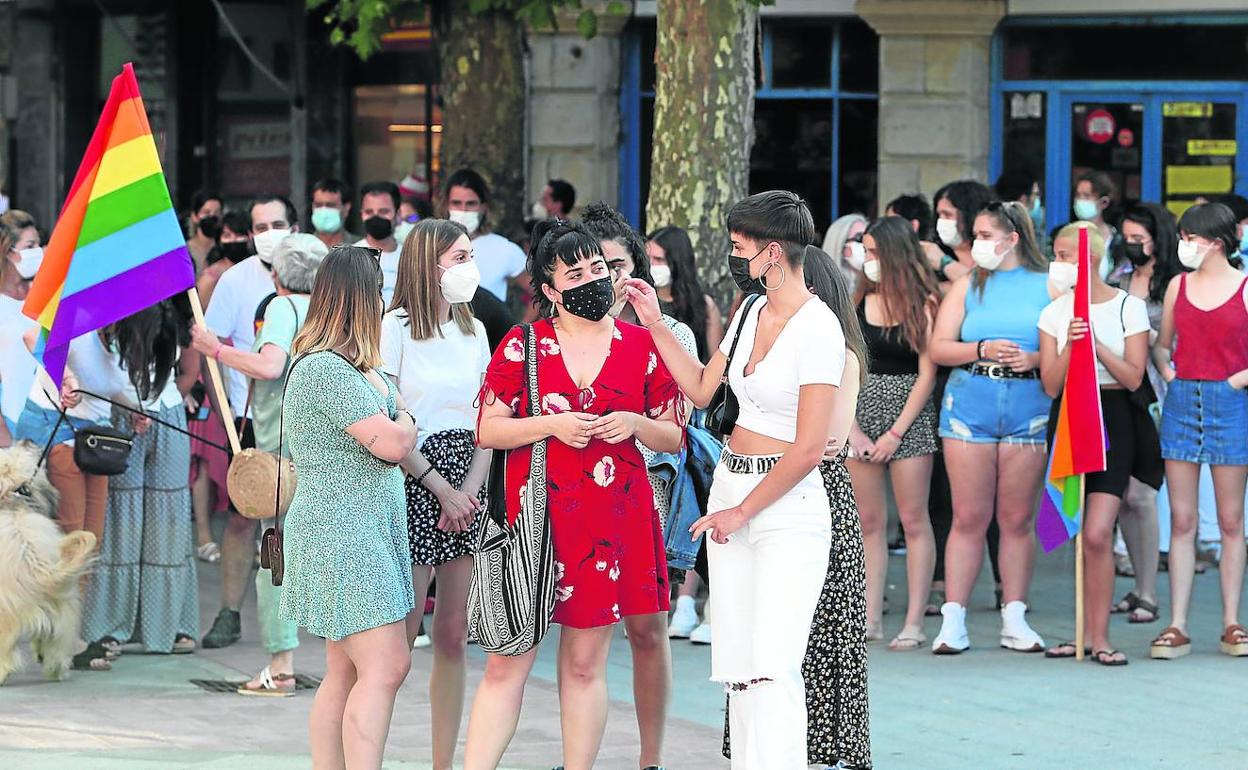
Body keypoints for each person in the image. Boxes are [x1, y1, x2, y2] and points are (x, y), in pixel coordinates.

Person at [626, 190, 844, 768]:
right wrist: (652, 322)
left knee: (773, 666)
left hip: (785, 505)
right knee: (740, 671)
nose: (732, 254)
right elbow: (701, 388)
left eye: (739, 246)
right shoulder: (748, 311)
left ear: (773, 252)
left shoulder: (818, 327)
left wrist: (743, 511)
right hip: (730, 486)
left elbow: (810, 448)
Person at [463, 221, 682, 770]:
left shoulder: (643, 345)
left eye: (600, 270)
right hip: (535, 522)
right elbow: (489, 429)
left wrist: (632, 421)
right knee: (506, 663)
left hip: (614, 518)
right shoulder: (524, 343)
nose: (594, 280)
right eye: (577, 273)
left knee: (586, 664)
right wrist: (550, 427)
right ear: (551, 290)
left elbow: (673, 433)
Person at [278, 245, 418, 767]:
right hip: (342, 535)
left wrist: (402, 421)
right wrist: (405, 421)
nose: (385, 303)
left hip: (362, 531)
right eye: (379, 292)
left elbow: (397, 429)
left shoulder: (358, 369)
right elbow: (394, 442)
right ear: (361, 299)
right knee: (385, 666)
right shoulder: (324, 370)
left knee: (349, 670)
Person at [583, 201, 693, 768]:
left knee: (649, 633)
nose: (609, 279)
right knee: (586, 640)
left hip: (648, 495)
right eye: (595, 267)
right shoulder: (558, 334)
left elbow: (680, 427)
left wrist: (632, 425)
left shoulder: (669, 331)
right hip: (576, 499)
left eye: (620, 265)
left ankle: (650, 759)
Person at [191, 233, 327, 694]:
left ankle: (281, 663)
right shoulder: (334, 312)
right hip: (331, 451)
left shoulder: (283, 310)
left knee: (276, 557)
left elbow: (270, 366)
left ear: (275, 274)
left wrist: (217, 350)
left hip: (283, 456)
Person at [379, 219, 491, 768]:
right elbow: (390, 420)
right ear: (430, 264)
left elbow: (490, 415)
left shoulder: (474, 330)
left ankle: (443, 760)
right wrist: (440, 487)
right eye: (459, 257)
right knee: (397, 640)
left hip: (467, 481)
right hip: (413, 477)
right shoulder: (394, 327)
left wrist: (468, 488)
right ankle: (368, 746)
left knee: (452, 634)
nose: (469, 268)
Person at [929, 200, 1052, 654]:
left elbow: (1066, 350)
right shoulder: (966, 285)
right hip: (970, 403)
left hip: (1028, 402)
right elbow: (939, 347)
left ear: (1012, 239)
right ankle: (953, 619)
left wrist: (1036, 358)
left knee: (1017, 519)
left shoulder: (1049, 285)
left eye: (983, 236)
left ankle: (1014, 617)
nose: (975, 244)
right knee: (968, 516)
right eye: (975, 235)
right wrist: (980, 347)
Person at [1038, 222, 1158, 666]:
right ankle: (1081, 634)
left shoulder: (1129, 307)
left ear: (1088, 257)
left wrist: (1095, 343)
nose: (1059, 262)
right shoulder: (1053, 313)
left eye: (1066, 254)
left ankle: (1101, 636)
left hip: (1113, 418)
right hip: (1069, 413)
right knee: (1075, 529)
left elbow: (1132, 376)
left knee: (1097, 532)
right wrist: (1070, 345)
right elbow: (1050, 385)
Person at [1150, 202, 1248, 660]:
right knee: (1183, 519)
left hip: (1231, 402)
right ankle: (1178, 623)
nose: (1184, 245)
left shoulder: (1246, 286)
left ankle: (1232, 621)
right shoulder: (1178, 285)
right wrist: (1172, 376)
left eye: (1191, 237)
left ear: (1217, 241)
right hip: (1184, 399)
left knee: (1231, 521)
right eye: (1183, 237)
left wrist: (1234, 382)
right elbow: (1162, 344)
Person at [200, 194, 296, 649]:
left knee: (305, 522)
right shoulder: (235, 280)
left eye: (277, 223)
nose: (268, 234)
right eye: (260, 227)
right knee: (244, 520)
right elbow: (210, 351)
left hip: (306, 422)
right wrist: (225, 418)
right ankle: (229, 612)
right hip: (249, 422)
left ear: (295, 227)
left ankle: (304, 619)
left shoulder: (315, 274)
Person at [79, 298, 201, 655]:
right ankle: (110, 626)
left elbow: (189, 374)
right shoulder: (107, 321)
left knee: (169, 519)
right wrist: (132, 408)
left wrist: (154, 408)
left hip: (167, 415)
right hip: (118, 420)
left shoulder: (178, 314)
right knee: (121, 519)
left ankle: (170, 624)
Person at [849, 216, 940, 649]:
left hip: (909, 418)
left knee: (913, 519)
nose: (867, 261)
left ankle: (914, 620)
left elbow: (926, 374)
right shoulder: (856, 302)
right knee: (869, 522)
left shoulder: (923, 304)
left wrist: (896, 433)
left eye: (872, 252)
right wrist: (855, 431)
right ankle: (869, 617)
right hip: (861, 414)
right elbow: (842, 370)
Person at [928, 179, 1003, 613]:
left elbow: (977, 288)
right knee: (944, 491)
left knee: (996, 495)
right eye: (939, 214)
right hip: (944, 381)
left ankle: (1000, 579)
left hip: (988, 384)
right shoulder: (935, 266)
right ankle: (942, 578)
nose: (944, 224)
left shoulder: (981, 264)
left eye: (950, 214)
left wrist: (942, 261)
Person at [1105, 202, 1182, 624]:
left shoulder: (1173, 283)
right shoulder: (1117, 276)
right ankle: (1135, 587)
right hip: (1118, 393)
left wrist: (1148, 338)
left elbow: (1176, 343)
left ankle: (1149, 590)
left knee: (1143, 494)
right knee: (1119, 496)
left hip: (1157, 393)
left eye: (1139, 239)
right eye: (1126, 238)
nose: (1131, 246)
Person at [188, 210, 253, 563]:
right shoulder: (214, 278)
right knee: (204, 458)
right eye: (226, 234)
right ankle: (202, 534)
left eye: (237, 233)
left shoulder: (257, 277)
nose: (232, 240)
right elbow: (199, 326)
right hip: (211, 369)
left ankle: (261, 541)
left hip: (236, 367)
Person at [441, 168, 527, 304]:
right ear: (446, 205)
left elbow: (539, 293)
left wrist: (521, 325)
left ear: (483, 207)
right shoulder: (431, 246)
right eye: (456, 203)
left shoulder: (504, 248)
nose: (463, 210)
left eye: (471, 204)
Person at [645, 225, 726, 361]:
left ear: (677, 263)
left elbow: (716, 362)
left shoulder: (704, 306)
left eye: (658, 259)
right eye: (648, 258)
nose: (651, 265)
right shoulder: (640, 300)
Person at [0, 210, 43, 445]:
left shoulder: (45, 297)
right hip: (10, 419)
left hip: (49, 417)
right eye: (30, 246)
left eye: (38, 243)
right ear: (9, 252)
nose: (38, 251)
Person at [354, 180, 403, 306]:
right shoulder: (350, 257)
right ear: (361, 214)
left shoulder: (411, 257)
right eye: (369, 212)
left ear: (397, 214)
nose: (376, 217)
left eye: (383, 211)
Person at [1073, 171, 1119, 279]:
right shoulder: (1063, 235)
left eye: (1087, 196)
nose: (1080, 200)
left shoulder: (1117, 241)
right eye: (1078, 195)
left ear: (1104, 203)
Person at [820, 213, 867, 294]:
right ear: (840, 245)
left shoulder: (874, 285)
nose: (865, 245)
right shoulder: (822, 288)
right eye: (859, 238)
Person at [309, 178, 357, 249]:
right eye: (318, 205)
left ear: (346, 208)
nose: (324, 210)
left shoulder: (359, 247)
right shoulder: (302, 248)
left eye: (330, 205)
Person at [185, 190, 223, 272]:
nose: (212, 216)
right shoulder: (185, 251)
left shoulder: (225, 248)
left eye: (217, 212)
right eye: (206, 212)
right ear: (195, 216)